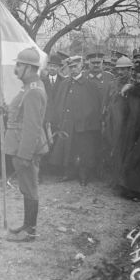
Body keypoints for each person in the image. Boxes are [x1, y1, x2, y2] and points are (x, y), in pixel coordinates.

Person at [3, 48, 49, 242]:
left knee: (30, 188)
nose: (16, 68)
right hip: (21, 146)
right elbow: (20, 113)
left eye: (19, 65)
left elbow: (31, 127)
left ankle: (30, 231)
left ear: (30, 68)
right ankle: (26, 225)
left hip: (26, 149)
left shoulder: (33, 91)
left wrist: (24, 156)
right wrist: (6, 110)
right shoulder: (29, 87)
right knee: (26, 188)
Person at [49, 56, 102, 186]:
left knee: (84, 150)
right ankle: (69, 172)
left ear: (81, 67)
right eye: (71, 67)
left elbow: (95, 106)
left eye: (75, 67)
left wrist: (87, 119)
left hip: (84, 125)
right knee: (68, 149)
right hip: (68, 124)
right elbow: (59, 102)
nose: (73, 70)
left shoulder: (90, 85)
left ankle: (84, 175)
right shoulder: (65, 84)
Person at [117, 60, 140, 202]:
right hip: (130, 131)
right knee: (128, 158)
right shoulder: (131, 92)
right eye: (138, 78)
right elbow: (124, 111)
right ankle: (128, 189)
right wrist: (122, 93)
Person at [102, 56, 134, 186]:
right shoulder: (112, 84)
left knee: (125, 150)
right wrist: (104, 120)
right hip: (112, 122)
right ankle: (114, 178)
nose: (120, 72)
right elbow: (105, 103)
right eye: (119, 70)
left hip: (127, 124)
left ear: (130, 70)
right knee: (112, 149)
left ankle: (124, 180)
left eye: (124, 70)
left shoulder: (134, 85)